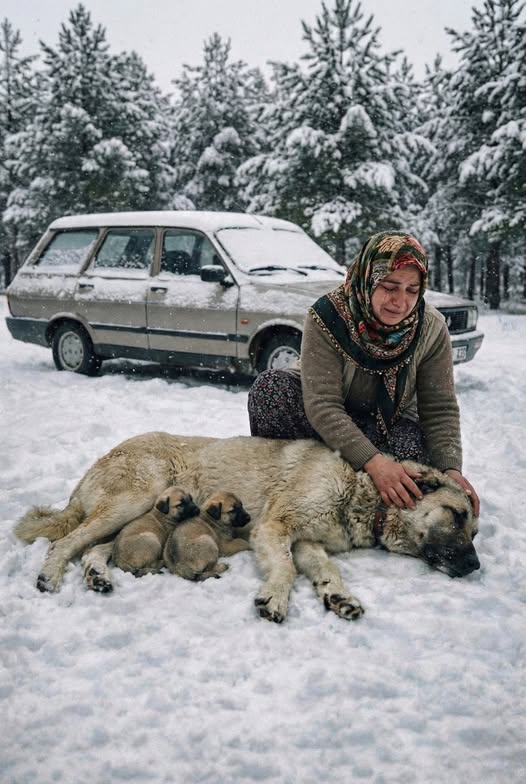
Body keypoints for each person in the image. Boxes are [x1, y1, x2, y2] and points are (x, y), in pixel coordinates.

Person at [248, 230, 480, 516]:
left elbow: (439, 408)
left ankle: (361, 498)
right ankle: (287, 487)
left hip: (386, 425)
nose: (400, 301)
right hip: (321, 425)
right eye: (389, 286)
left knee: (414, 456)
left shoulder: (430, 328)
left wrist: (450, 470)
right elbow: (323, 405)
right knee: (270, 390)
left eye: (412, 290)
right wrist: (374, 462)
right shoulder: (328, 317)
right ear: (367, 279)